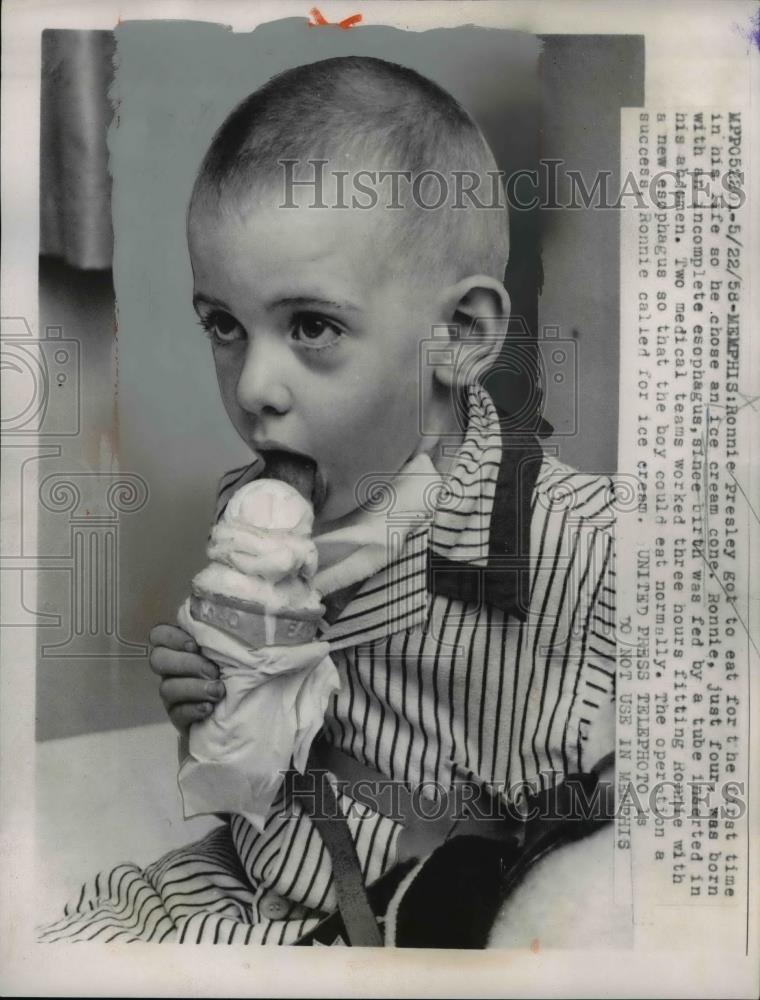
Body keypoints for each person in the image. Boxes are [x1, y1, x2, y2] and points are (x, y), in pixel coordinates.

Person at [39, 55, 616, 946]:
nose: (254, 387)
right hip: (253, 883)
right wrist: (217, 709)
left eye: (311, 326)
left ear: (458, 336)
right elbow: (256, 785)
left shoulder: (588, 551)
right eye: (225, 326)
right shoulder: (259, 503)